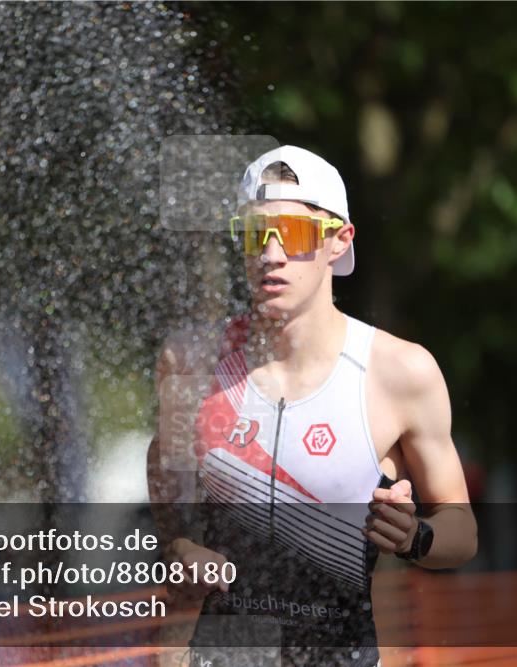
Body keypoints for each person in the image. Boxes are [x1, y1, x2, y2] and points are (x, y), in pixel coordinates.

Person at [147, 145, 477, 667]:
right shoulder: (191, 361)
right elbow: (162, 462)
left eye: (295, 234)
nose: (271, 255)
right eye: (255, 234)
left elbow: (462, 530)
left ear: (338, 241)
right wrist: (178, 544)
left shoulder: (399, 372)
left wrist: (416, 538)